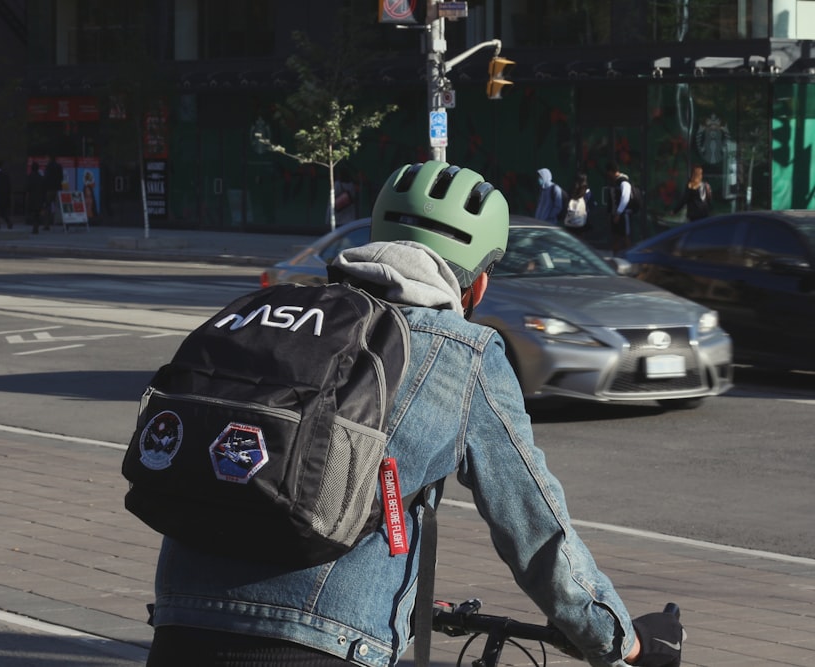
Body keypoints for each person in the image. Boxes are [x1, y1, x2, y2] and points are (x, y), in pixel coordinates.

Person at [142, 160, 685, 667]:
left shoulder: (278, 313)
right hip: (322, 641)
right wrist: (617, 637)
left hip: (178, 624)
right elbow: (535, 527)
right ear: (478, 281)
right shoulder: (464, 352)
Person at [606, 161, 635, 254]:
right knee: (615, 236)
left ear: (611, 171)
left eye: (608, 172)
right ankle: (616, 256)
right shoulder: (615, 183)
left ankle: (629, 258)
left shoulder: (624, 182)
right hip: (615, 214)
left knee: (625, 236)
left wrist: (618, 213)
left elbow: (625, 198)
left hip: (623, 215)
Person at [563, 171, 594, 236]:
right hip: (581, 222)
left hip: (570, 222)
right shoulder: (586, 192)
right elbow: (590, 206)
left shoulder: (570, 190)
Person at [25, 161, 47, 235]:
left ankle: (35, 227)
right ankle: (36, 226)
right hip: (39, 198)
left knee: (33, 213)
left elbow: (27, 188)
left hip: (32, 198)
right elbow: (44, 189)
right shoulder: (40, 178)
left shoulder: (30, 177)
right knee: (37, 213)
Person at [43, 155, 64, 231]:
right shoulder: (59, 166)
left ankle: (46, 225)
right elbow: (61, 177)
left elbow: (46, 178)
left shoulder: (48, 167)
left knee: (47, 207)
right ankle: (65, 223)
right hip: (58, 188)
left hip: (49, 189)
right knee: (60, 207)